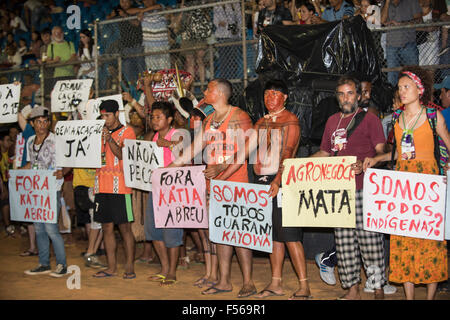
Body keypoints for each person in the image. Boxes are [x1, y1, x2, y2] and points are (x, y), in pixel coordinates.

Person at [363, 67, 450, 300]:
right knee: (404, 241)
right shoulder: (397, 119)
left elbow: (448, 144)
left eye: (406, 87)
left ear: (419, 90)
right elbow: (398, 154)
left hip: (428, 183)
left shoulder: (434, 116)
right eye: (399, 88)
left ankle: (430, 297)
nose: (401, 92)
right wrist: (375, 159)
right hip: (404, 182)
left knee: (430, 241)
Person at [170, 79, 255, 297]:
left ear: (218, 93)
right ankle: (224, 280)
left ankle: (248, 282)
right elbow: (194, 149)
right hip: (216, 184)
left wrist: (222, 170)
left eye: (208, 89)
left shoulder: (238, 116)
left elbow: (246, 151)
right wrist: (168, 167)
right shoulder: (209, 120)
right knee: (220, 233)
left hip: (236, 184)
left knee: (238, 234)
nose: (204, 92)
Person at [313, 75, 387, 300]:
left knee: (371, 241)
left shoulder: (369, 119)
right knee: (344, 243)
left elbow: (382, 151)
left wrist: (368, 162)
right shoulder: (331, 121)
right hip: (339, 192)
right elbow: (324, 153)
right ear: (337, 97)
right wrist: (299, 164)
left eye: (350, 93)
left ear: (358, 95)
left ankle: (378, 290)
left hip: (365, 188)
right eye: (341, 94)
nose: (346, 98)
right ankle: (352, 289)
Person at [246, 80, 310, 300]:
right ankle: (276, 283)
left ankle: (304, 286)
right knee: (273, 235)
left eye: (275, 94)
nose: (269, 98)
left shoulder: (289, 120)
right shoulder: (260, 122)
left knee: (290, 234)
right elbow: (247, 149)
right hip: (262, 180)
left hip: (282, 181)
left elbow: (288, 153)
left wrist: (278, 180)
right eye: (266, 94)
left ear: (285, 97)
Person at [92, 100, 137, 279]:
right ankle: (111, 267)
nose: (104, 119)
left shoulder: (128, 132)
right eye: (102, 116)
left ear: (116, 114)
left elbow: (122, 155)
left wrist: (109, 139)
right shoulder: (97, 131)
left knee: (125, 228)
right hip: (101, 184)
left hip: (121, 186)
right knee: (106, 227)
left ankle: (129, 267)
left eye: (107, 115)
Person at [22, 106, 69, 277]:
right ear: (33, 124)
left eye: (45, 121)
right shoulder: (30, 142)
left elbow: (69, 161)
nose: (42, 125)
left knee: (51, 228)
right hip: (36, 190)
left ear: (49, 123)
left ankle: (62, 265)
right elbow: (30, 163)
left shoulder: (57, 140)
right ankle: (43, 263)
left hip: (51, 189)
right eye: (38, 122)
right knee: (39, 228)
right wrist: (17, 173)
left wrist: (62, 172)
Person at [145, 101, 184, 286]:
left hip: (173, 191)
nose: (154, 120)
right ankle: (165, 268)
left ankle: (172, 271)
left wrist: (167, 144)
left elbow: (186, 156)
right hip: (156, 189)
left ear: (169, 119)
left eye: (158, 117)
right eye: (152, 117)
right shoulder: (153, 137)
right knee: (153, 231)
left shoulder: (177, 134)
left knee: (172, 232)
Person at [381, 0, 422, 86]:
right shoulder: (385, 3)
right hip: (391, 46)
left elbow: (419, 20)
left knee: (413, 76)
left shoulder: (411, 2)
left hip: (408, 44)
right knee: (392, 79)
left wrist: (402, 24)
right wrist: (387, 2)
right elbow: (382, 20)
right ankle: (393, 98)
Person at [213, 2, 242, 79]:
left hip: (233, 36)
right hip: (222, 36)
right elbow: (216, 22)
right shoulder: (218, 5)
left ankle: (233, 79)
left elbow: (240, 19)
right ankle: (224, 79)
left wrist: (237, 29)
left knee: (233, 61)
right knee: (224, 61)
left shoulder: (235, 4)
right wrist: (226, 25)